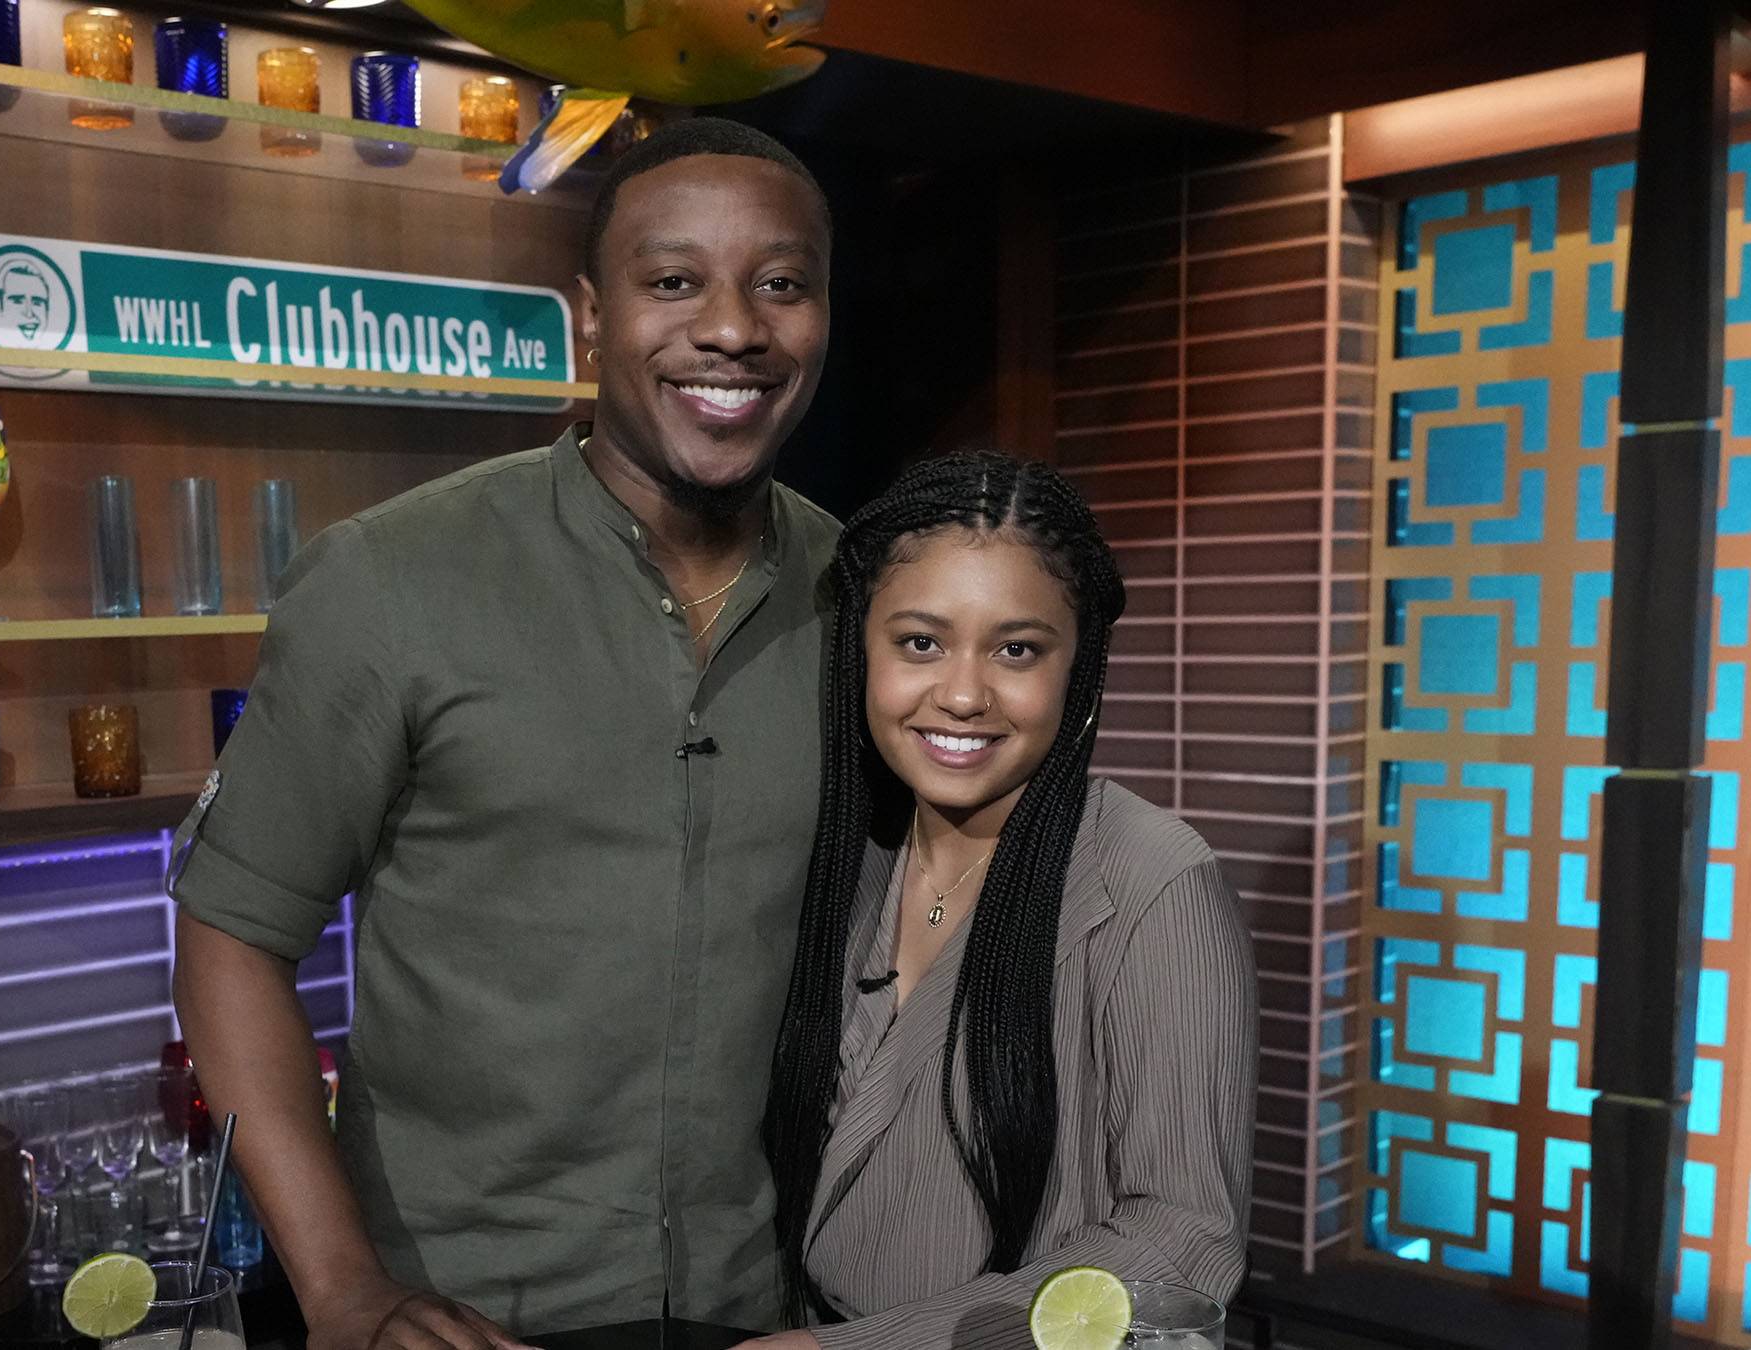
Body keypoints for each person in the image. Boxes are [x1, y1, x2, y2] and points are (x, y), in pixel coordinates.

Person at [168, 116, 836, 1350]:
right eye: (673, 281)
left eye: (781, 284)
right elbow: (229, 937)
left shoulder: (866, 599)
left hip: (761, 1309)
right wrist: (343, 1290)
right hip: (464, 1315)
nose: (733, 328)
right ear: (591, 317)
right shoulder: (392, 580)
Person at [751, 454, 1255, 1349]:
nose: (961, 694)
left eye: (1016, 650)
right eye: (920, 642)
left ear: (1078, 668)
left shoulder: (1148, 878)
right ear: (861, 650)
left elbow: (1183, 1241)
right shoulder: (849, 858)